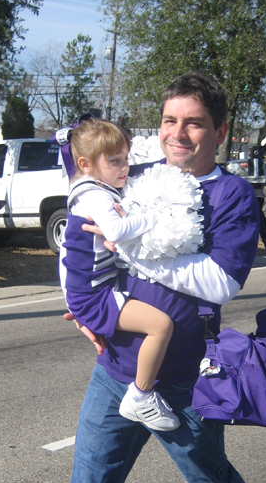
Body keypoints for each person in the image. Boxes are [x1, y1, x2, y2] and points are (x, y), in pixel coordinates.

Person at [23, 71, 261, 483]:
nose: (178, 133)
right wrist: (82, 308)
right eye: (169, 120)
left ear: (219, 130)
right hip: (116, 366)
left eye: (194, 122)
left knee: (209, 479)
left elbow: (219, 280)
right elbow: (84, 235)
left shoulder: (232, 195)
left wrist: (139, 252)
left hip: (183, 374)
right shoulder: (141, 175)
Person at [62, 117, 182, 431]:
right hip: (93, 295)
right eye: (115, 160)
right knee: (160, 326)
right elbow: (115, 230)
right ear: (86, 164)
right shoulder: (96, 196)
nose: (125, 167)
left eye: (126, 158)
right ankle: (141, 396)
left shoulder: (89, 185)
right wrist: (154, 216)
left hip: (91, 290)